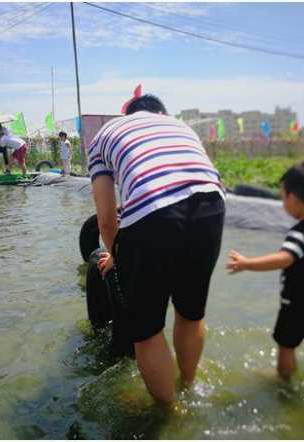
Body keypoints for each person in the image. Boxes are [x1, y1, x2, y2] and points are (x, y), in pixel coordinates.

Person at [88, 94, 225, 404]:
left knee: (147, 331)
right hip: (211, 206)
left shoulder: (103, 136)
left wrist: (118, 258)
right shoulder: (181, 127)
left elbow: (107, 219)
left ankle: (171, 416)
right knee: (190, 313)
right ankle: (188, 386)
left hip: (152, 214)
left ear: (128, 114)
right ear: (162, 113)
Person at [227, 161, 304, 381]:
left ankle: (284, 379)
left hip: (296, 302)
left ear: (293, 198)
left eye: (282, 197)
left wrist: (247, 263)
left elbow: (284, 258)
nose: (283, 203)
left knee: (286, 345)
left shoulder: (300, 233)